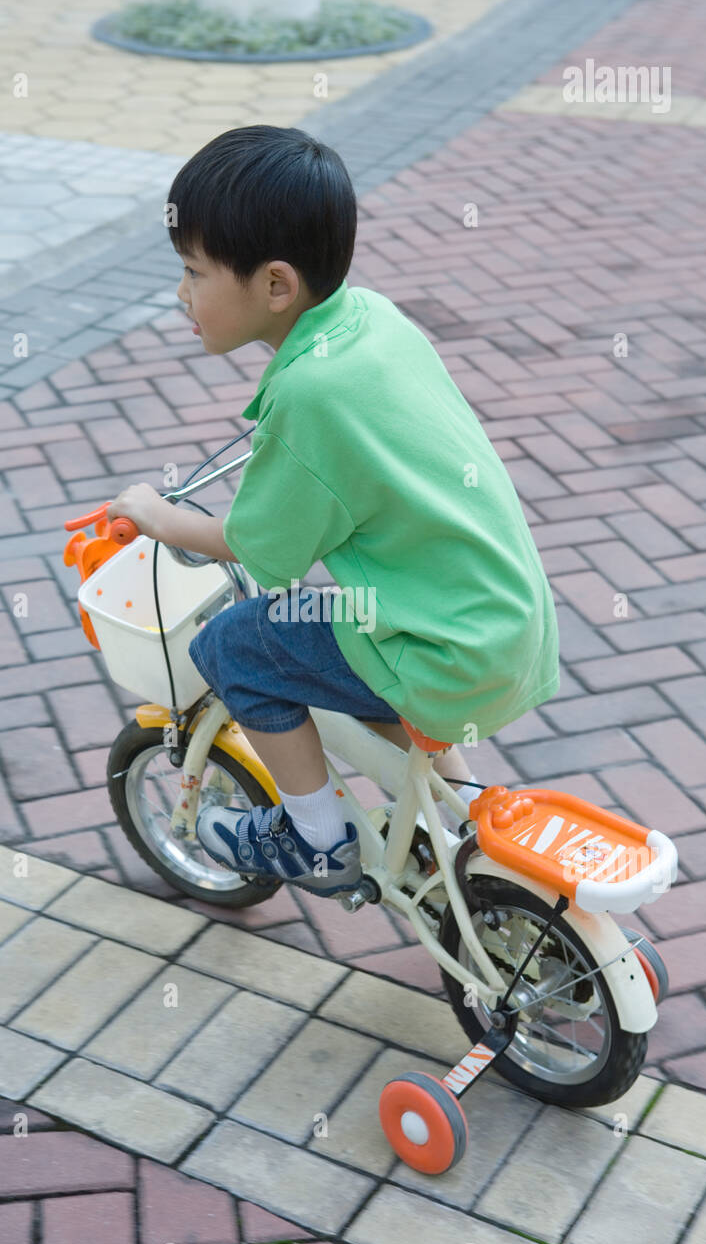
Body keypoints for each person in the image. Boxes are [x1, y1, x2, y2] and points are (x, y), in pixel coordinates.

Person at [109, 125, 559, 897]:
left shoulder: (307, 394)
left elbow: (262, 549)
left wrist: (153, 514)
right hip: (503, 624)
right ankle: (456, 812)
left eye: (193, 272)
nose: (181, 294)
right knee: (334, 631)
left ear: (275, 286)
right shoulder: (371, 320)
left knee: (237, 645)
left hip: (440, 651)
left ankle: (316, 839)